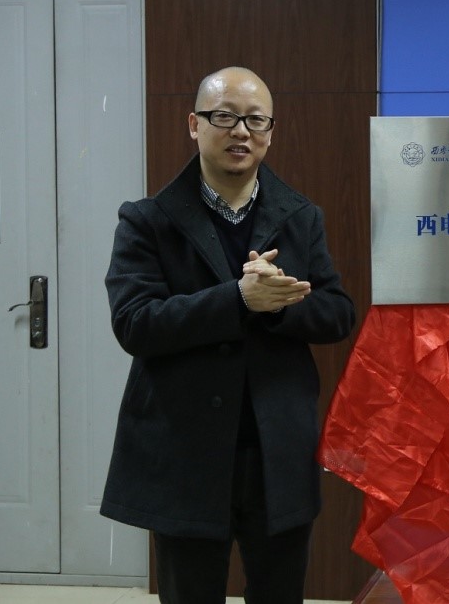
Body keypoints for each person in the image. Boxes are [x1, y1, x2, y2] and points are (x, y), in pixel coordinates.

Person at [101, 66, 356, 604]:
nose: (241, 131)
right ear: (194, 125)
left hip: (276, 453)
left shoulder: (301, 217)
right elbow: (135, 323)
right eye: (225, 117)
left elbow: (337, 314)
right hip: (184, 452)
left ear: (270, 132)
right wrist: (238, 299)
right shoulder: (147, 220)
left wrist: (277, 303)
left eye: (256, 120)